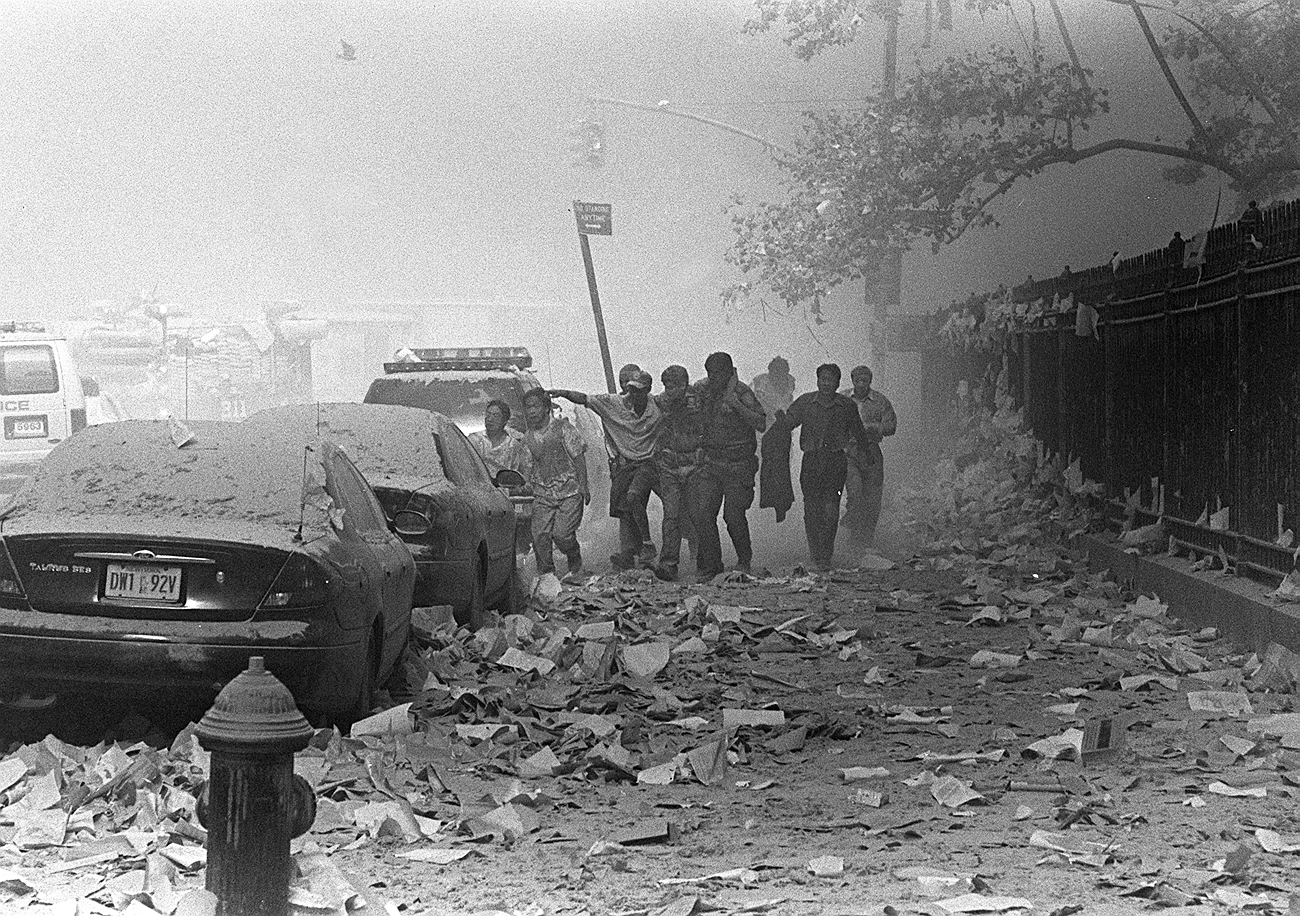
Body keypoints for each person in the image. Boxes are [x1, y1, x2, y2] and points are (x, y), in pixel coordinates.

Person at [550, 370, 661, 571]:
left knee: (638, 498)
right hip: (624, 465)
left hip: (648, 463)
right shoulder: (613, 403)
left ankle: (649, 546)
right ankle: (633, 554)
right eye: (630, 389)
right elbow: (584, 398)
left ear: (647, 391)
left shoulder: (658, 406)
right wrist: (562, 392)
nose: (633, 395)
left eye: (638, 391)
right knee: (624, 510)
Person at [771, 363, 873, 571]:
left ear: (837, 383)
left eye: (830, 380)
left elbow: (859, 433)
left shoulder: (846, 406)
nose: (826, 383)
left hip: (835, 462)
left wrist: (867, 457)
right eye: (822, 379)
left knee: (831, 509)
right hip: (811, 461)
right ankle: (815, 552)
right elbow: (789, 423)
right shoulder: (806, 402)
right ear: (817, 381)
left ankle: (825, 554)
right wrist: (780, 420)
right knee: (812, 510)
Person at [694, 352, 766, 579]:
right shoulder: (703, 390)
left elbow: (761, 422)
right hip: (712, 462)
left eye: (718, 373)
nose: (713, 377)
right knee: (704, 513)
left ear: (728, 372)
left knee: (733, 516)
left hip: (738, 464)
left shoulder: (742, 393)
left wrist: (735, 404)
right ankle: (712, 565)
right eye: (710, 373)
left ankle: (744, 561)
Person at [520, 389, 588, 579]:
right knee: (539, 536)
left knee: (562, 535)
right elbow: (526, 466)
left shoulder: (563, 428)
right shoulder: (527, 439)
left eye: (535, 406)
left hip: (569, 491)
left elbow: (578, 457)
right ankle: (547, 575)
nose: (531, 411)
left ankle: (574, 557)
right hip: (542, 494)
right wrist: (524, 483)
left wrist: (584, 485)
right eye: (527, 407)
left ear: (546, 408)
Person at [653, 365, 704, 581]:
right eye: (667, 386)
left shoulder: (699, 400)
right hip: (670, 465)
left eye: (674, 386)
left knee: (696, 514)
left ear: (685, 384)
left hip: (694, 464)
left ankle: (701, 560)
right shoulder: (659, 403)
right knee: (671, 516)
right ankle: (669, 564)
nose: (670, 390)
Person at [842, 365, 897, 548]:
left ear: (870, 381)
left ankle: (866, 539)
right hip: (849, 451)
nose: (862, 384)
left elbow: (891, 426)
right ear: (852, 380)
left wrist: (876, 427)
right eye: (858, 380)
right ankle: (854, 534)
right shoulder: (842, 399)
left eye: (865, 380)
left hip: (871, 451)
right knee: (855, 493)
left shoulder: (880, 401)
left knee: (873, 499)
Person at [467, 399, 532, 481]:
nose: (490, 419)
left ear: (504, 421)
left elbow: (525, 470)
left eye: (495, 416)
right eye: (488, 414)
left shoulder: (514, 445)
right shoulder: (474, 440)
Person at [751, 356, 795, 420]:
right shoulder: (759, 383)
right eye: (776, 372)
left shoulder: (790, 383)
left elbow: (788, 402)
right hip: (761, 420)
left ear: (786, 372)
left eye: (782, 372)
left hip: (781, 422)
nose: (778, 376)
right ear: (770, 371)